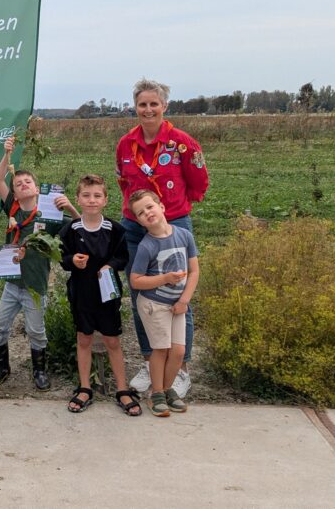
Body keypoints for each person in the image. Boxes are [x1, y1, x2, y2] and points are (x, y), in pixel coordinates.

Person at [116, 78, 208, 397]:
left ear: (164, 106)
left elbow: (198, 181)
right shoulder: (126, 144)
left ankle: (180, 369)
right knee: (141, 296)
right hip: (134, 228)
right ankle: (149, 361)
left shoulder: (182, 143)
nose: (148, 109)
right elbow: (123, 182)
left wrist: (175, 213)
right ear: (135, 107)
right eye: (143, 104)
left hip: (173, 226)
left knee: (177, 294)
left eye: (154, 103)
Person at [0, 136, 75, 390]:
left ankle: (39, 371)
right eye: (18, 183)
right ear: (14, 192)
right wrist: (6, 155)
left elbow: (78, 227)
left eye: (28, 182)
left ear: (37, 189)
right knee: (0, 325)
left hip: (35, 286)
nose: (23, 185)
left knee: (36, 331)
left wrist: (71, 207)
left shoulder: (50, 215)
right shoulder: (12, 209)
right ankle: (1, 368)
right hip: (12, 284)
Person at [59, 174, 140, 415]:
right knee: (84, 338)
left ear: (105, 200)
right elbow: (62, 259)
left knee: (112, 340)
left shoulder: (115, 229)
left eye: (97, 196)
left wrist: (110, 265)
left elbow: (123, 256)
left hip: (108, 293)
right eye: (86, 195)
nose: (91, 200)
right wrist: (72, 260)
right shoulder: (70, 230)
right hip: (81, 294)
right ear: (78, 199)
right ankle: (85, 387)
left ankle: (122, 389)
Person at [128, 190, 200, 417]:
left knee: (178, 352)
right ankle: (157, 393)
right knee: (160, 350)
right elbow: (136, 281)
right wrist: (165, 279)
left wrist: (184, 300)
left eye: (150, 207)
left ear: (162, 207)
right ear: (139, 221)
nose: (147, 213)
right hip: (154, 305)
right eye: (140, 213)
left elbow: (194, 270)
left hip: (177, 304)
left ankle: (166, 389)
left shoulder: (184, 235)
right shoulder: (147, 246)